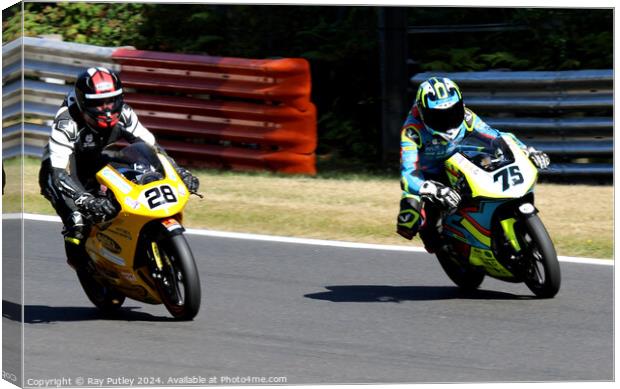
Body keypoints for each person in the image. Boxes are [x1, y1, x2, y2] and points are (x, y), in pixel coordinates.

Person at [39, 67, 200, 269]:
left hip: (96, 158)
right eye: (98, 104)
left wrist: (179, 172)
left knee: (135, 179)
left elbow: (153, 147)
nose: (107, 109)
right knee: (78, 221)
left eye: (111, 100)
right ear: (83, 103)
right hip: (59, 172)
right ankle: (83, 266)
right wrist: (86, 200)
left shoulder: (124, 112)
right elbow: (59, 173)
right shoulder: (66, 123)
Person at [396, 77, 550, 253]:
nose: (447, 121)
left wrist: (527, 150)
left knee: (493, 159)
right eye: (438, 116)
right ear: (422, 112)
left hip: (459, 158)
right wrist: (432, 188)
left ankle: (490, 220)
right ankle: (436, 235)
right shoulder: (411, 132)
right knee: (409, 221)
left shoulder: (467, 117)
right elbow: (407, 175)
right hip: (431, 175)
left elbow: (496, 136)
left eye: (452, 113)